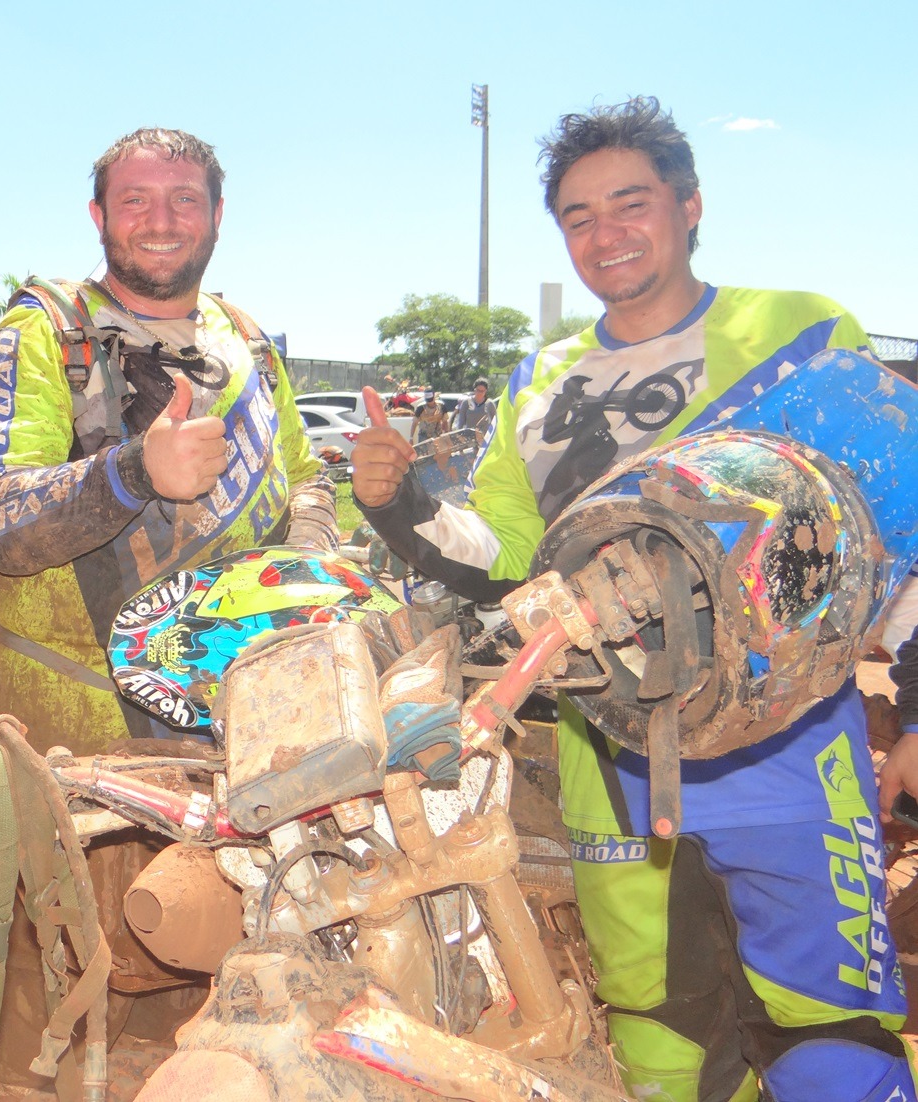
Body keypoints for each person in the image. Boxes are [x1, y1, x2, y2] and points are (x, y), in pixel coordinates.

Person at [352, 96, 918, 1102]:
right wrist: (401, 504)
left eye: (629, 203)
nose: (603, 234)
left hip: (791, 754)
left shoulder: (793, 328)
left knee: (832, 1039)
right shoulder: (539, 382)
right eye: (577, 216)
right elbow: (503, 557)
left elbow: (891, 521)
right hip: (605, 753)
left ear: (688, 205)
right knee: (663, 1042)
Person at [0, 127, 336, 1095]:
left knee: (205, 1020)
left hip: (228, 757)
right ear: (97, 217)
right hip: (75, 766)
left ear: (216, 214)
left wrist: (310, 557)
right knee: (55, 1027)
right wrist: (134, 472)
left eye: (182, 198)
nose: (159, 219)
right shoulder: (42, 333)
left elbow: (304, 480)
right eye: (134, 199)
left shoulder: (247, 341)